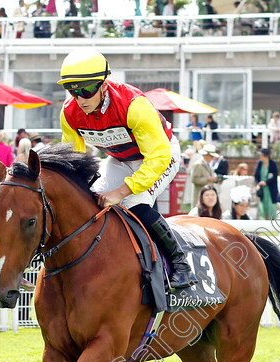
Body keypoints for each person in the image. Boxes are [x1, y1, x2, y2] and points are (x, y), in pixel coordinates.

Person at [58, 48, 195, 289]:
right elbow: (74, 159)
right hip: (119, 160)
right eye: (72, 91)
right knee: (89, 200)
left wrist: (121, 192)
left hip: (160, 155)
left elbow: (158, 157)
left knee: (132, 202)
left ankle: (181, 264)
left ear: (103, 84)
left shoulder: (133, 105)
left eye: (86, 90)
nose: (80, 99)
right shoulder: (69, 113)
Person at [253, 148, 279, 220]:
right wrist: (257, 184)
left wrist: (266, 182)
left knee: (272, 208)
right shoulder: (259, 163)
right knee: (263, 208)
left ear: (266, 156)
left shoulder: (273, 164)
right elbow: (256, 176)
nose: (260, 157)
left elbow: (275, 176)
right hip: (262, 190)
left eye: (261, 155)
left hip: (271, 189)